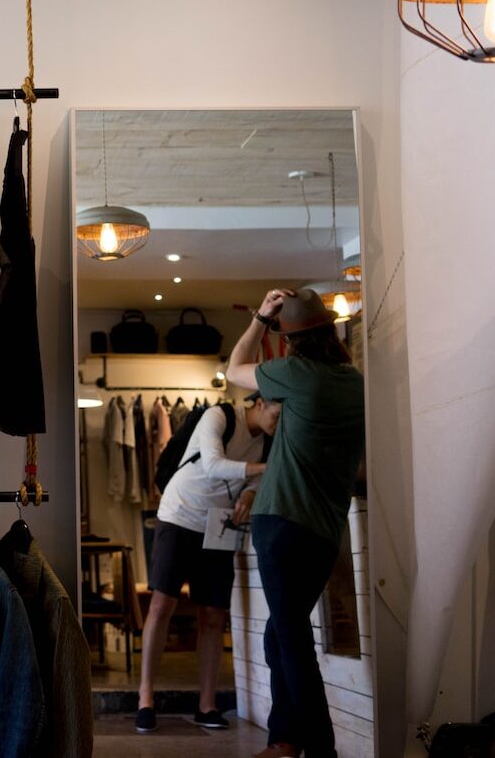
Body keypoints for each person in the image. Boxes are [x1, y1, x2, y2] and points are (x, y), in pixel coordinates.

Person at [225, 288, 365, 758]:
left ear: (291, 342)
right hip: (324, 531)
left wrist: (260, 319)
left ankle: (320, 749)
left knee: (293, 641)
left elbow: (233, 369)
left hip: (281, 522)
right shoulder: (356, 383)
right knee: (281, 633)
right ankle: (284, 738)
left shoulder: (292, 373)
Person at [136, 393, 281, 735]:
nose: (279, 419)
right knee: (162, 604)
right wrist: (265, 469)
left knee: (214, 615)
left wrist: (250, 492)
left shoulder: (270, 442)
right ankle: (145, 698)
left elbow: (256, 482)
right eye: (277, 411)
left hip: (220, 522)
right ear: (259, 402)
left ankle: (207, 704)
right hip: (180, 512)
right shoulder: (219, 415)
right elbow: (213, 464)